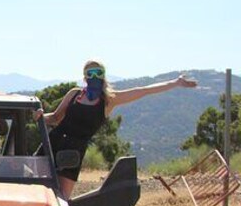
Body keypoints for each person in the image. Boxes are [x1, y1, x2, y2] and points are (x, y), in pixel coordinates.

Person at [37, 60, 197, 198]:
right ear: (84, 76)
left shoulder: (109, 100)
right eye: (90, 73)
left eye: (97, 72)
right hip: (52, 143)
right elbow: (55, 117)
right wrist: (39, 116)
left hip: (73, 153)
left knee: (61, 200)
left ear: (103, 75)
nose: (94, 77)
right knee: (33, 188)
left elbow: (144, 91)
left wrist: (175, 83)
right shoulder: (74, 94)